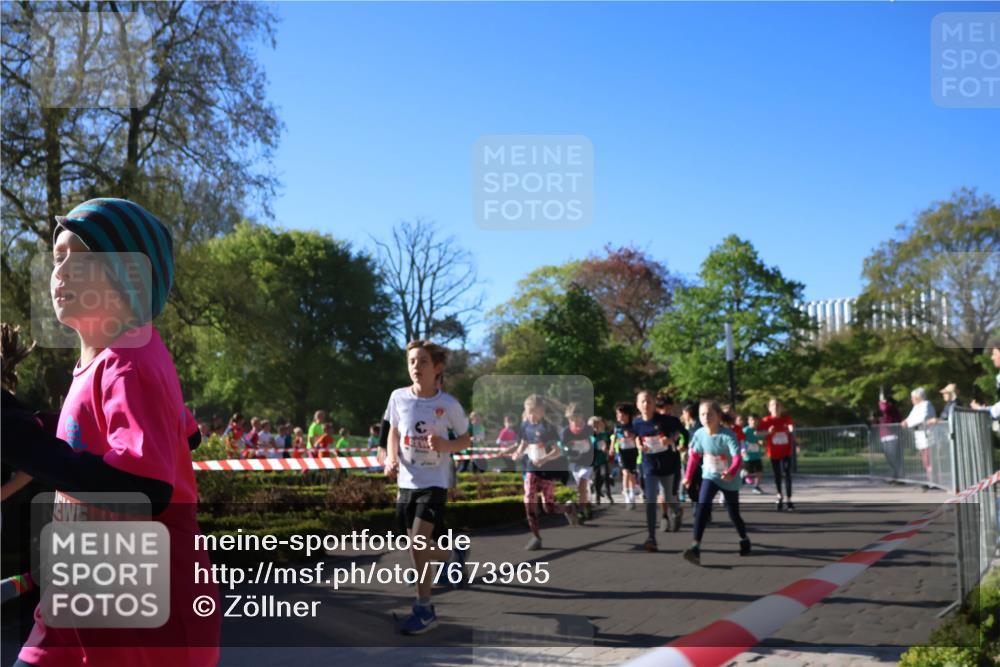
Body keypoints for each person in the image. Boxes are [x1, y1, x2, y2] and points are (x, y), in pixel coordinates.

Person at [1, 197, 219, 666]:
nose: (60, 270)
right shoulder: (113, 361)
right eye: (58, 257)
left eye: (81, 259)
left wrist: (24, 444)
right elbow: (183, 433)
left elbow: (145, 488)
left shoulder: (128, 364)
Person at [383, 339, 471, 635]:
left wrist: (446, 445)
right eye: (411, 362)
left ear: (438, 368)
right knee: (414, 548)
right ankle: (451, 556)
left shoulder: (448, 404)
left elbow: (465, 439)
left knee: (418, 545)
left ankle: (424, 609)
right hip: (406, 481)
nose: (415, 367)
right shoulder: (398, 397)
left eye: (422, 362)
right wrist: (391, 458)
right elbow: (393, 430)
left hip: (434, 482)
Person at [682, 400, 751, 566]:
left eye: (710, 414)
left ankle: (744, 538)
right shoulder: (699, 434)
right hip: (710, 476)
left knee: (733, 514)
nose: (706, 418)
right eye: (702, 414)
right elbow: (694, 456)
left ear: (718, 416)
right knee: (702, 507)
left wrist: (732, 472)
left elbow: (737, 458)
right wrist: (688, 476)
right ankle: (695, 548)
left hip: (729, 479)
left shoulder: (728, 435)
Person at [510, 394, 579, 550]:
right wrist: (518, 453)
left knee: (549, 507)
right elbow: (524, 442)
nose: (530, 415)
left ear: (541, 411)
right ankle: (536, 537)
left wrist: (544, 460)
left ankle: (568, 508)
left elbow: (557, 451)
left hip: (546, 470)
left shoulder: (549, 428)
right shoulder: (525, 425)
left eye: (532, 411)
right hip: (531, 469)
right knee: (528, 500)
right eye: (527, 411)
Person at [633, 391, 684, 551]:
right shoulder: (636, 423)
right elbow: (636, 437)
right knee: (651, 500)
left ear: (654, 404)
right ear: (637, 405)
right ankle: (651, 538)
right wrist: (638, 444)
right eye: (642, 402)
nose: (646, 405)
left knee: (668, 497)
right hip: (649, 465)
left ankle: (677, 510)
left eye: (649, 401)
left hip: (667, 464)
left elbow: (680, 432)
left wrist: (671, 440)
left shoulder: (666, 420)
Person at [758, 397, 795, 511]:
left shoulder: (786, 418)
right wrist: (767, 432)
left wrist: (789, 429)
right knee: (777, 475)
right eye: (773, 405)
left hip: (786, 451)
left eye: (778, 405)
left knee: (787, 474)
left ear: (781, 407)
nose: (776, 407)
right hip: (773, 452)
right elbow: (758, 432)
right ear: (769, 408)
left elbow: (791, 428)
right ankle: (779, 496)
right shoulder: (766, 420)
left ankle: (789, 499)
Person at [562, 403, 595, 522]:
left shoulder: (588, 429)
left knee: (582, 484)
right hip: (574, 463)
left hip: (587, 462)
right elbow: (562, 447)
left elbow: (594, 442)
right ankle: (587, 504)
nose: (575, 421)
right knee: (581, 488)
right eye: (571, 418)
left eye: (577, 417)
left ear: (582, 417)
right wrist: (568, 449)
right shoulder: (566, 432)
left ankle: (581, 511)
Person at [901, 387, 937, 483]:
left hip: (927, 435)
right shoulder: (916, 406)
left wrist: (908, 423)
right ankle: (930, 479)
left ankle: (933, 480)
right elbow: (910, 417)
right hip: (920, 435)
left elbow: (921, 418)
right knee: (924, 459)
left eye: (913, 397)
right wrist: (906, 421)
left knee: (928, 458)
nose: (912, 399)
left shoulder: (926, 404)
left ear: (918, 397)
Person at [612, 402, 640, 510]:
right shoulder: (617, 426)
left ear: (628, 415)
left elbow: (638, 437)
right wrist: (611, 448)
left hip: (632, 451)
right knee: (625, 473)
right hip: (622, 451)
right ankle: (627, 495)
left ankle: (632, 494)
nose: (619, 417)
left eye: (622, 414)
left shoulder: (633, 425)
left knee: (632, 474)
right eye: (618, 414)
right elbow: (614, 437)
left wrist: (632, 437)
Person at [877, 392, 903, 480]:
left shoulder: (891, 409)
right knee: (889, 458)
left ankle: (898, 476)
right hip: (885, 437)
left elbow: (884, 408)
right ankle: (895, 475)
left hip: (892, 436)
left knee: (894, 457)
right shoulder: (887, 412)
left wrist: (882, 402)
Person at [680, 402, 702, 503]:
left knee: (699, 485)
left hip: (700, 461)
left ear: (688, 413)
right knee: (691, 487)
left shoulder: (699, 426)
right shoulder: (688, 426)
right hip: (689, 460)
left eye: (683, 413)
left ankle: (702, 510)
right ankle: (698, 505)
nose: (682, 415)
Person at [589, 416, 614, 505]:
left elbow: (610, 443)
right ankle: (597, 496)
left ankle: (609, 495)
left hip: (604, 459)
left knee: (605, 475)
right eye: (594, 427)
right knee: (596, 478)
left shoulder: (604, 435)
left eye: (598, 426)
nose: (596, 428)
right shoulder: (590, 437)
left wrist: (607, 449)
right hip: (595, 461)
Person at [742, 414, 765, 494]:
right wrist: (743, 451)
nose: (754, 422)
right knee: (748, 472)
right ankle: (742, 477)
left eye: (755, 420)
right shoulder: (746, 430)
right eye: (751, 420)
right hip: (748, 456)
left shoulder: (758, 431)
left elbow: (761, 441)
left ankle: (756, 487)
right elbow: (742, 441)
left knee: (760, 471)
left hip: (757, 455)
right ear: (748, 421)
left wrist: (761, 442)